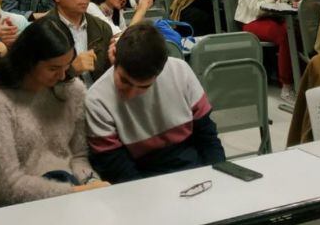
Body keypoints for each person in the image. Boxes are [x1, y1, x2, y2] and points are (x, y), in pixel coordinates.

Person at [0, 17, 108, 206]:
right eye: (53, 68)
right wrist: (75, 192)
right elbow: (8, 186)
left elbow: (79, 156)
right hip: (24, 208)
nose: (63, 75)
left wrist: (91, 182)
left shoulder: (71, 89)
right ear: (29, 62)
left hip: (71, 193)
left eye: (67, 66)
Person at [86, 24, 225, 183]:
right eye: (124, 81)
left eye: (144, 87)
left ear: (160, 72)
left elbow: (207, 137)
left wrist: (219, 178)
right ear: (114, 56)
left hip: (191, 166)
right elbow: (118, 169)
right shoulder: (97, 100)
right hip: (140, 177)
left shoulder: (180, 71)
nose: (131, 93)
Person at [234, 0, 297, 96]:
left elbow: (284, 3)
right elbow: (256, 9)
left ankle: (299, 78)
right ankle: (286, 85)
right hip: (252, 21)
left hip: (275, 17)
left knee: (298, 29)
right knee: (286, 34)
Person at [45, 0, 113, 83]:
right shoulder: (42, 33)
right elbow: (34, 86)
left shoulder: (103, 29)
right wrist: (71, 71)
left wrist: (116, 65)